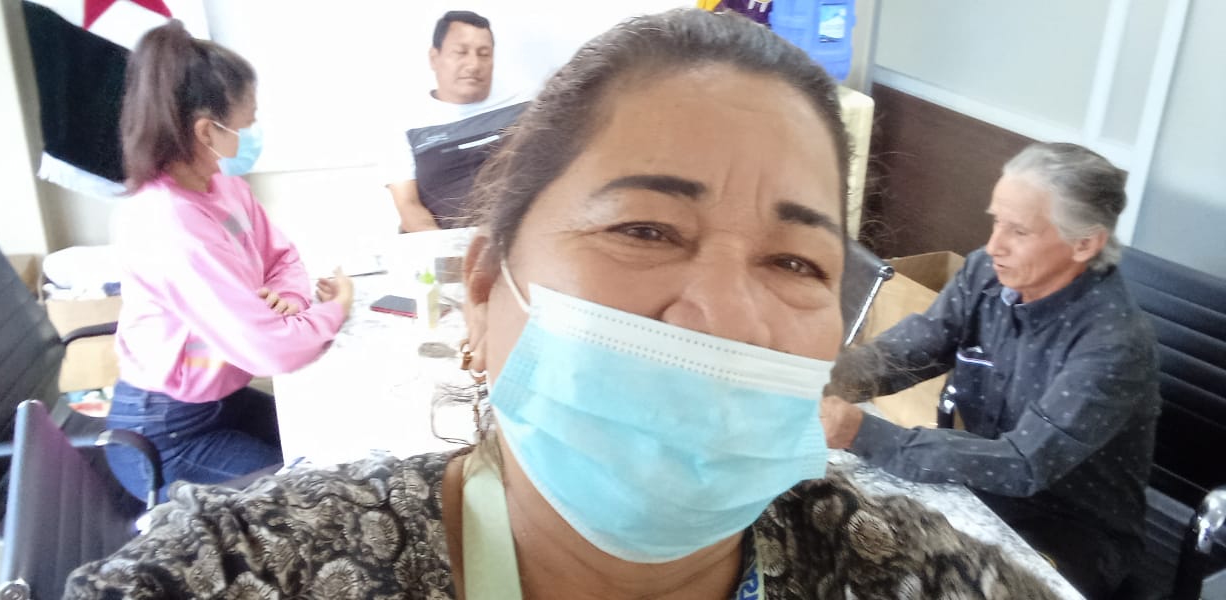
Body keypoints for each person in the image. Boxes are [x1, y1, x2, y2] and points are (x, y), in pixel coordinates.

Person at [68, 10, 1059, 599]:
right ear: (485, 291)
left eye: (797, 262)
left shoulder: (922, 579)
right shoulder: (250, 571)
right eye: (647, 229)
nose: (726, 313)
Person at [821, 142, 1160, 598]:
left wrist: (862, 432)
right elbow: (915, 347)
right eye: (996, 221)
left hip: (1070, 529)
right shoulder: (986, 271)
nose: (994, 245)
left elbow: (1023, 462)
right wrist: (815, 376)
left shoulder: (1112, 343)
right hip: (979, 492)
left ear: (1085, 244)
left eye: (1018, 230)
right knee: (844, 537)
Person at [106, 21, 355, 503]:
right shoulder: (170, 223)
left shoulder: (225, 189)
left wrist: (286, 298)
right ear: (206, 131)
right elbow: (272, 350)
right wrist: (335, 307)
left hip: (222, 399)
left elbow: (282, 256)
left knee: (335, 446)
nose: (249, 136)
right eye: (244, 125)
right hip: (167, 435)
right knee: (315, 497)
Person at [384, 10, 530, 232]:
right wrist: (448, 250)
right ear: (434, 58)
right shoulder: (406, 126)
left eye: (484, 54)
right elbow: (409, 207)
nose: (473, 64)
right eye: (460, 52)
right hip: (448, 242)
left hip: (523, 235)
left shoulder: (525, 106)